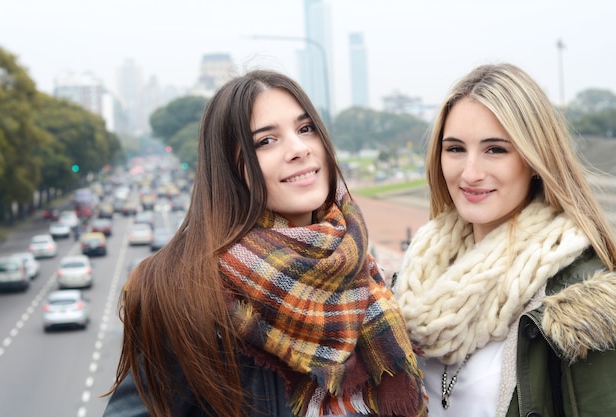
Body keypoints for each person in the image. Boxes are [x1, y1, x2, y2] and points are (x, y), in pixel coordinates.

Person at [103, 69, 427, 417]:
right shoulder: (190, 294)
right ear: (229, 167)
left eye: (305, 129)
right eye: (266, 141)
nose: (299, 149)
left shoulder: (356, 261)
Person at [393, 62, 616, 416]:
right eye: (454, 149)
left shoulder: (582, 298)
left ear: (534, 159)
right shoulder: (406, 285)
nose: (470, 173)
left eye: (495, 149)